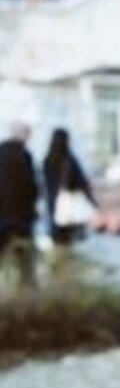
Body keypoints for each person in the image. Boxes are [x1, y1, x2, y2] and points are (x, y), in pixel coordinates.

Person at [42, 127, 97, 246]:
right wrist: (92, 201)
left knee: (57, 233)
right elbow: (82, 183)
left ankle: (57, 250)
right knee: (68, 235)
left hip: (53, 203)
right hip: (69, 204)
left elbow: (46, 184)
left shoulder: (47, 160)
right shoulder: (69, 160)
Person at [0, 122, 38, 285]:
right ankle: (27, 289)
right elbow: (29, 186)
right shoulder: (24, 155)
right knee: (25, 258)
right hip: (21, 216)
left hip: (1, 214)